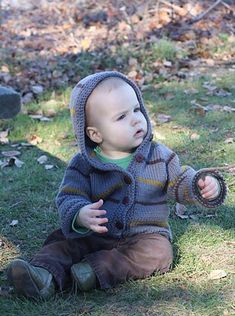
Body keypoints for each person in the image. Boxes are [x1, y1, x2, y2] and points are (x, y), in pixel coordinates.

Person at [7, 71, 227, 299]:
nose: (135, 119)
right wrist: (80, 214)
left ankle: (92, 271)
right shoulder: (84, 164)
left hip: (144, 236)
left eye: (137, 109)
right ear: (95, 134)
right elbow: (68, 196)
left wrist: (202, 186)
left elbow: (181, 181)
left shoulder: (159, 155)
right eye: (121, 117)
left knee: (160, 253)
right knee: (61, 243)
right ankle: (41, 275)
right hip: (94, 234)